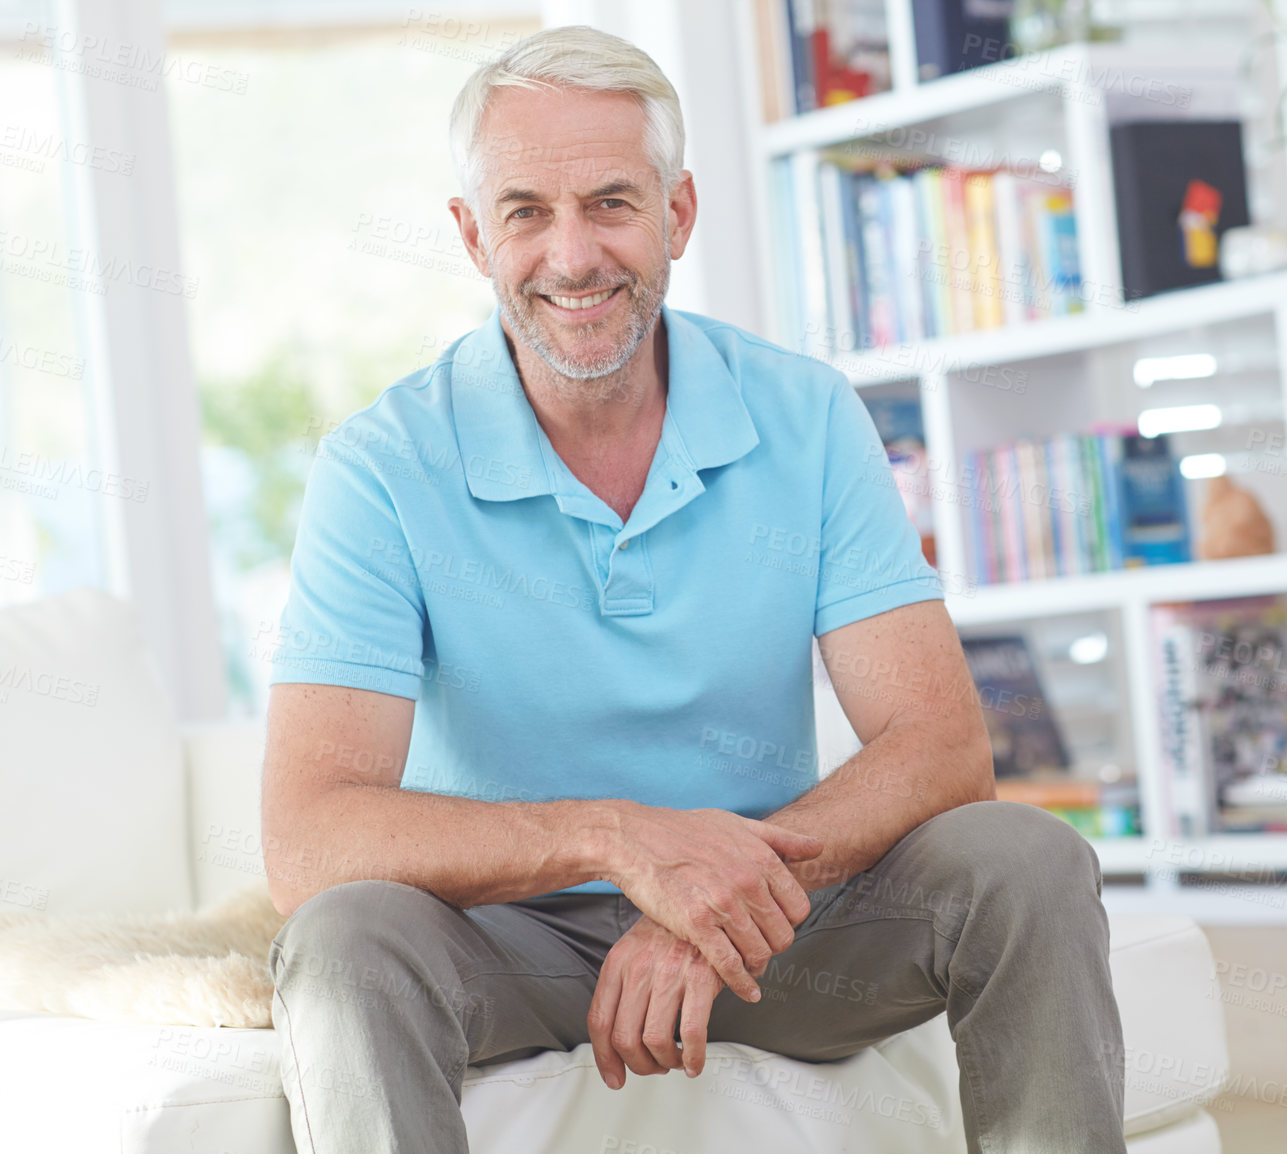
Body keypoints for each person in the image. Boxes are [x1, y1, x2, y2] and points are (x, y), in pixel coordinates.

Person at [262, 24, 1124, 1154]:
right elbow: (309, 837)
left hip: (779, 929)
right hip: (505, 940)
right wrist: (622, 841)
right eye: (527, 211)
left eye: (612, 203)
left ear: (677, 213)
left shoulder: (806, 415)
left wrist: (711, 905)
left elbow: (939, 743)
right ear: (474, 236)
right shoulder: (379, 468)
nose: (572, 256)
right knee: (341, 936)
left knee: (1028, 859)